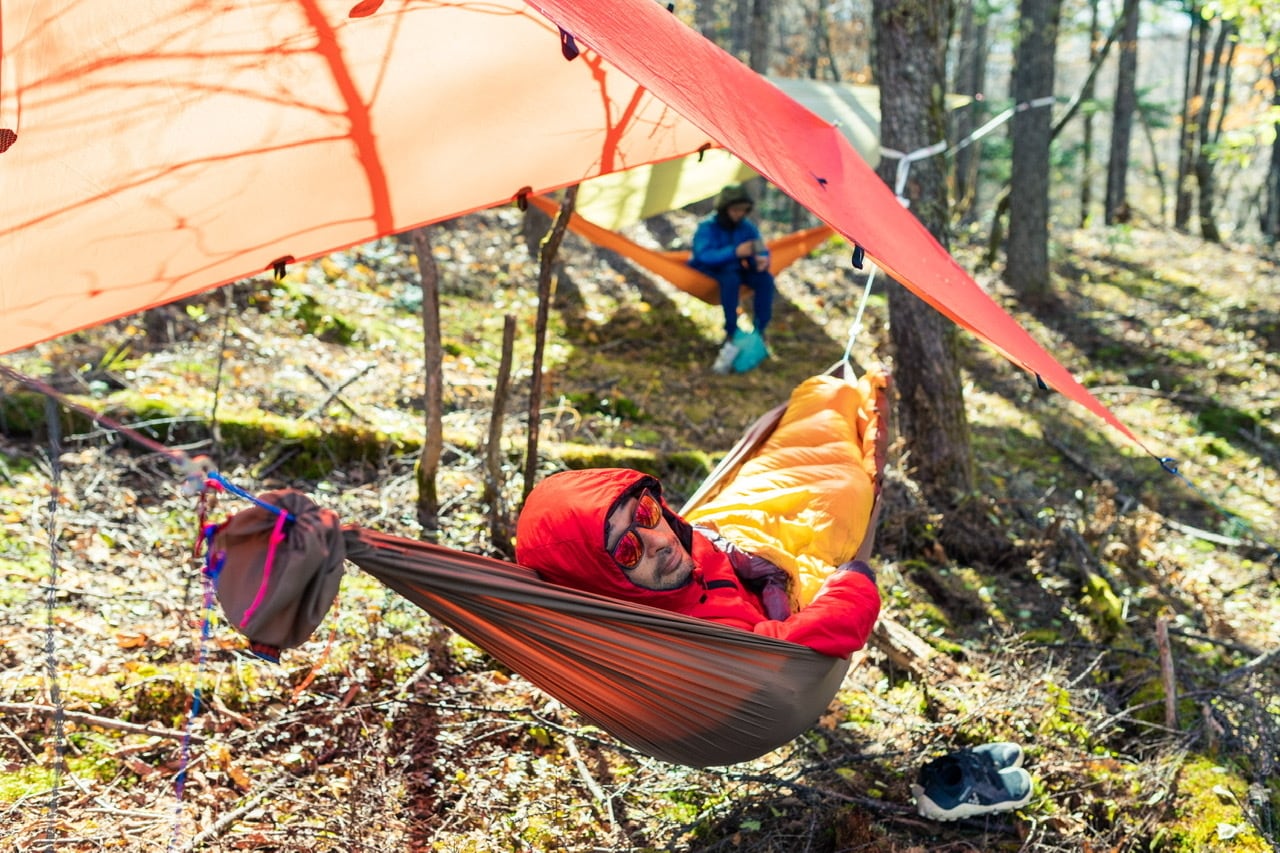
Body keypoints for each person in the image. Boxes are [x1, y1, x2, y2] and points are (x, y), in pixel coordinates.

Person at [514, 467, 881, 659]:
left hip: (743, 528)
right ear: (600, 581)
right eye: (627, 549)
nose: (658, 539)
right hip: (800, 554)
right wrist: (854, 580)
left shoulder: (678, 544)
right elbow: (800, 643)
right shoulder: (694, 646)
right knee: (848, 486)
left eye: (645, 511)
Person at [689, 184, 776, 374]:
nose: (739, 214)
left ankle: (760, 331)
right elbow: (702, 255)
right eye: (735, 210)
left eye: (743, 210)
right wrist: (734, 252)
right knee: (730, 279)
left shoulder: (747, 228)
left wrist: (762, 260)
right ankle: (731, 332)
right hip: (710, 272)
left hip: (739, 268)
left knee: (765, 280)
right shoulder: (707, 227)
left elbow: (761, 248)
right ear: (724, 208)